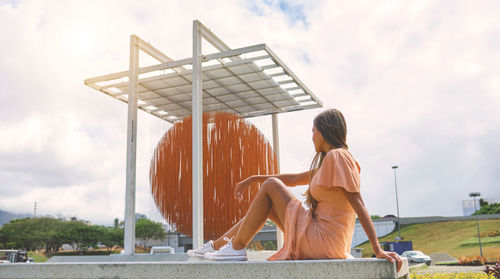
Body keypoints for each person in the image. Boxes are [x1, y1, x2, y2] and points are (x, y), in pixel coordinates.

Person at [187, 108, 402, 271]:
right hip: (321, 237)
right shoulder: (329, 163)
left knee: (271, 185)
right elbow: (291, 179)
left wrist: (377, 248)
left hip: (324, 240)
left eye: (314, 131)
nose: (312, 137)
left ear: (325, 132)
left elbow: (358, 202)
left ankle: (235, 248)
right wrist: (254, 178)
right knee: (268, 201)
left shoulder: (338, 157)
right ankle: (218, 245)